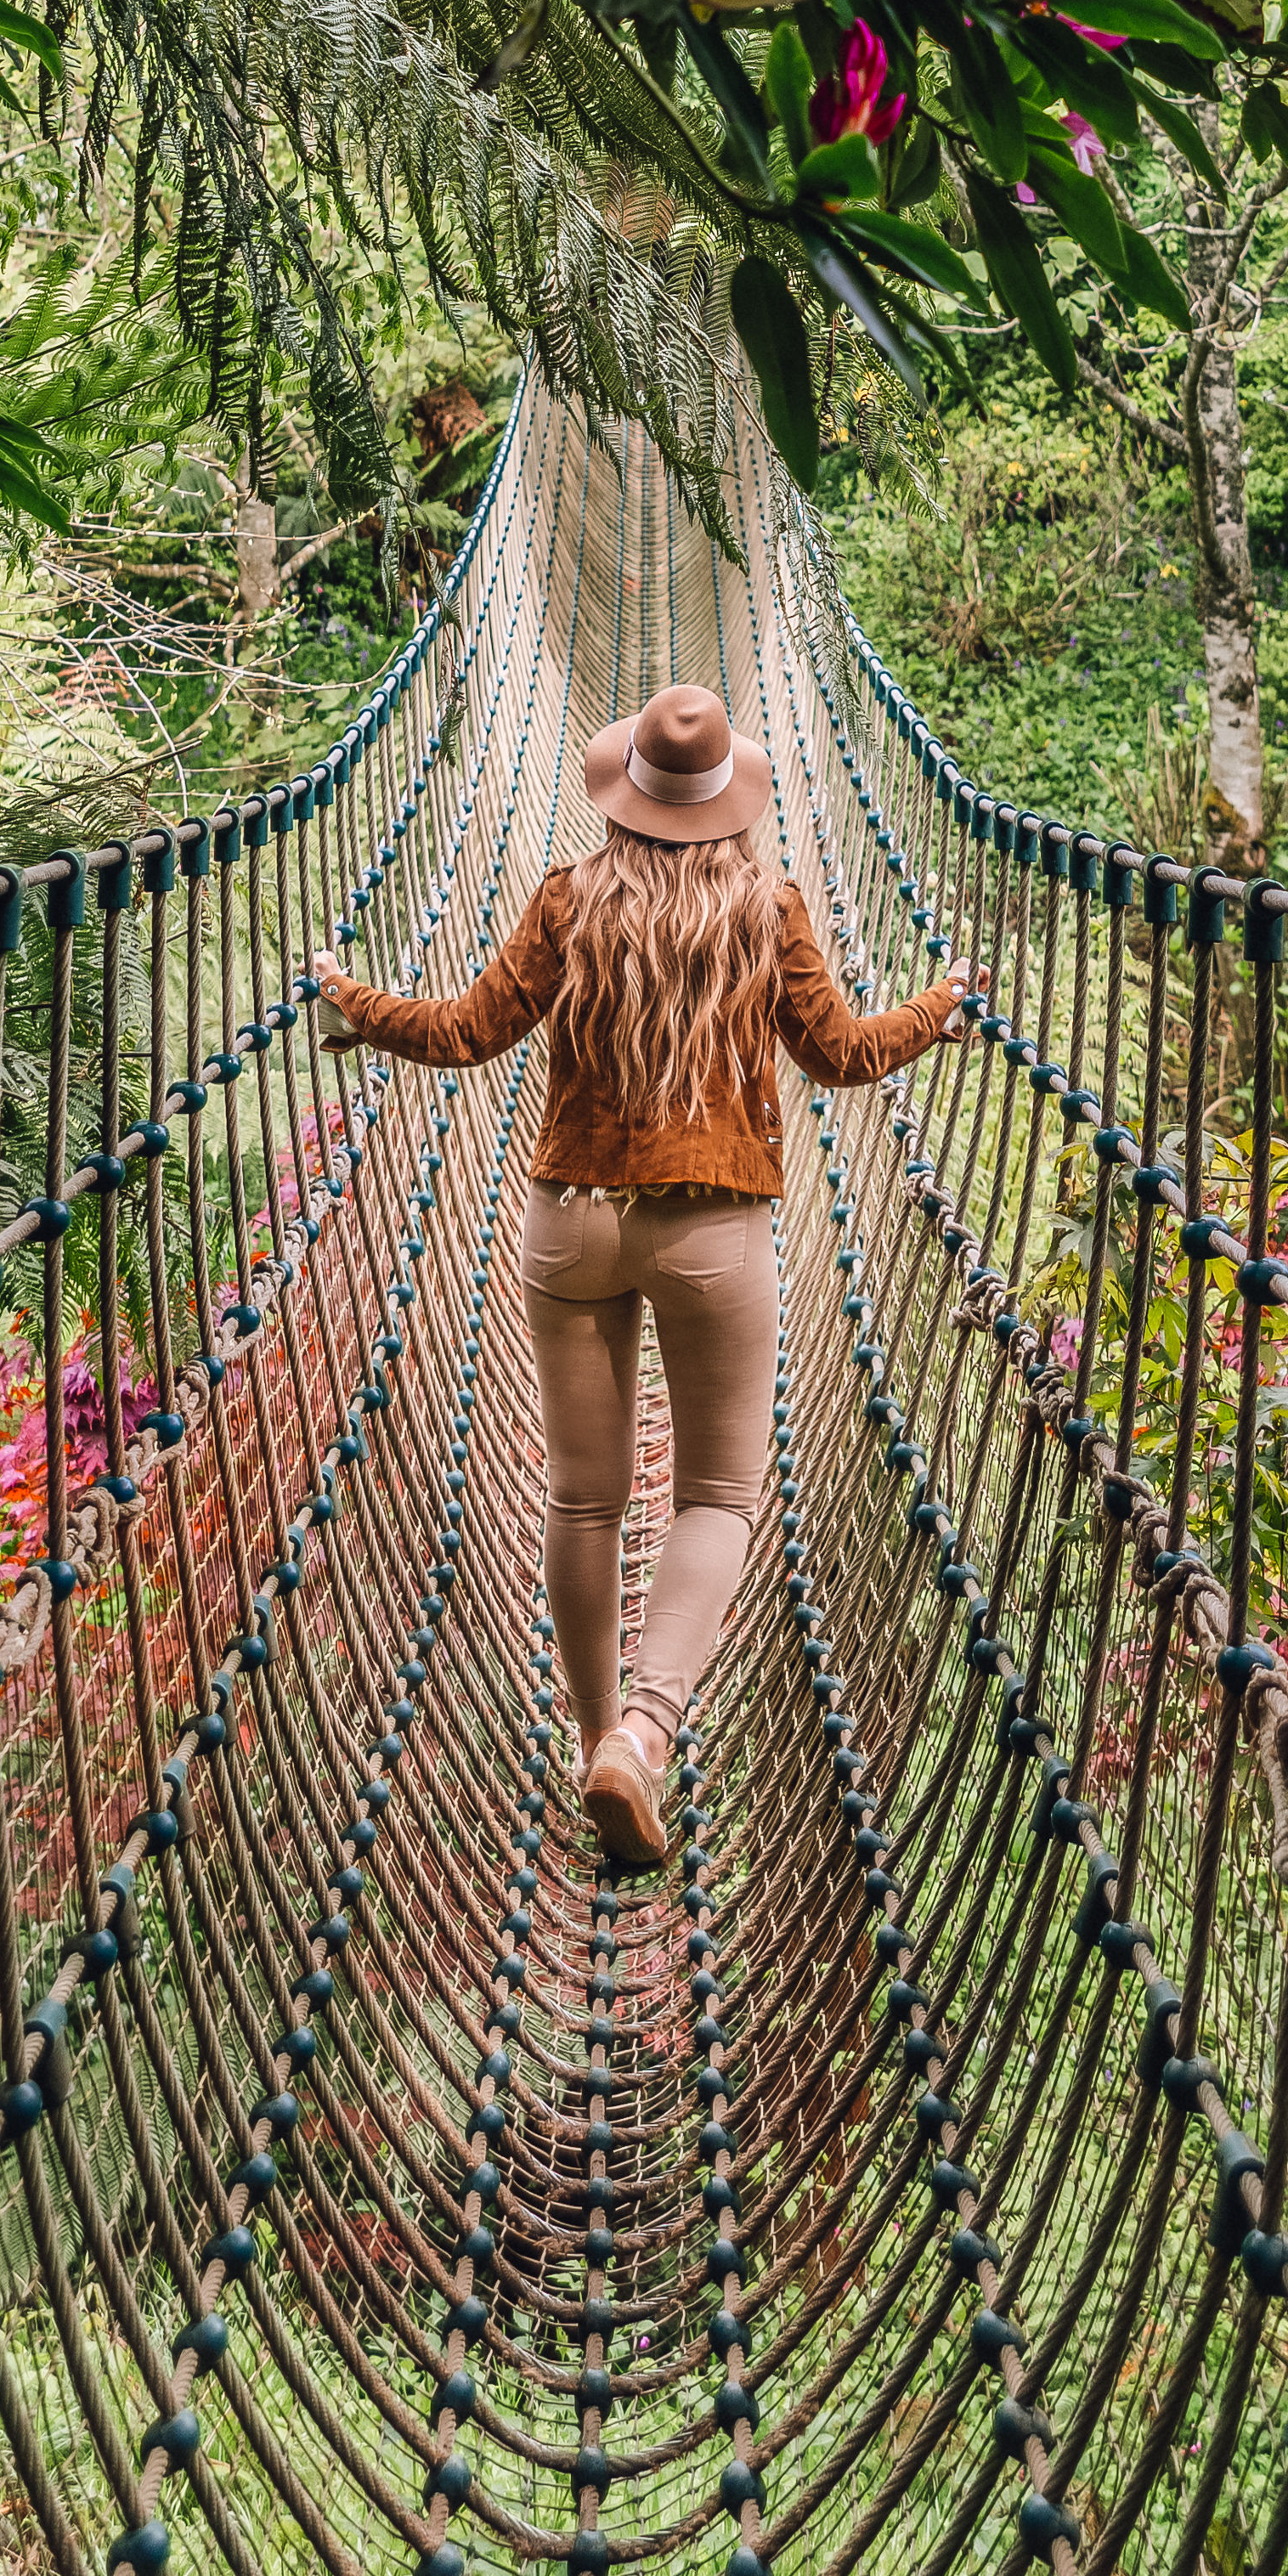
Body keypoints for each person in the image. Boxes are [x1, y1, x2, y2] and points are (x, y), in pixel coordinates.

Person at [309, 679, 976, 1874]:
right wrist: (942, 1007)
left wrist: (352, 1005)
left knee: (582, 1499)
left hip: (573, 1224)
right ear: (729, 800)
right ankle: (646, 1732)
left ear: (627, 794)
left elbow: (467, 1032)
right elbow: (841, 1057)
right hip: (714, 1230)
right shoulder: (768, 907)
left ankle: (591, 1739)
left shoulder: (569, 898)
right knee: (719, 1496)